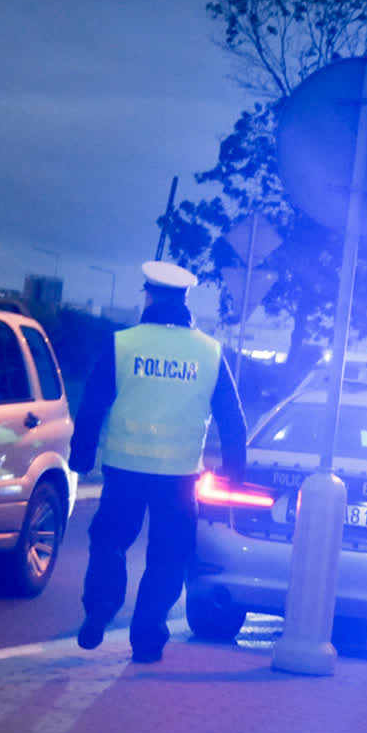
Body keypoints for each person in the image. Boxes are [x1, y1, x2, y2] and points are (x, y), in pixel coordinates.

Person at [70, 260, 248, 664]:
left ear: (149, 295)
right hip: (179, 477)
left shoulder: (123, 343)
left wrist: (81, 456)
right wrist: (235, 471)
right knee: (168, 557)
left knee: (110, 542)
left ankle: (99, 611)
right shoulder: (209, 352)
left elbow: (93, 403)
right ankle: (148, 638)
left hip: (124, 470)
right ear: (186, 301)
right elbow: (232, 419)